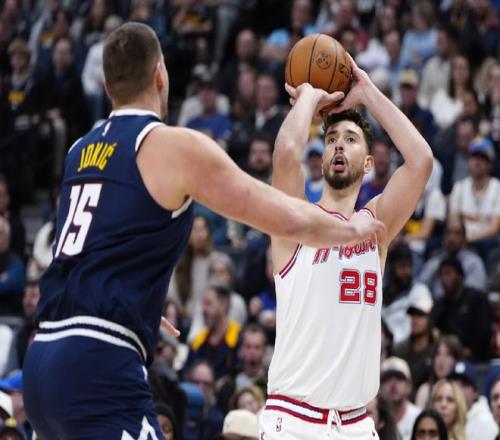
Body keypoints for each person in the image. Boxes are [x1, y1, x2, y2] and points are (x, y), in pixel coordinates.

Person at [22, 23, 384, 440]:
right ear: (160, 75)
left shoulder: (78, 150)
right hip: (97, 361)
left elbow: (80, 250)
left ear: (106, 85)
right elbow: (285, 217)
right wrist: (351, 228)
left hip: (42, 358)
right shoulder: (172, 146)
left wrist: (132, 295)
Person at [260, 53, 433, 440]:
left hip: (355, 423)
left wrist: (368, 92)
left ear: (368, 163)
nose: (339, 145)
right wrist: (308, 97)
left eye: (350, 140)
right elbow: (285, 154)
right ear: (322, 157)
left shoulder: (376, 225)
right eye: (331, 140)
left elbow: (421, 161)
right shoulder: (296, 221)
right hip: (294, 419)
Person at [448, 361, 499, 440]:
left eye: (464, 385)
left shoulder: (485, 421)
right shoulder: (448, 417)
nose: (458, 390)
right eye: (454, 385)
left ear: (476, 392)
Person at [380, 357, 421, 440]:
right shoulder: (375, 418)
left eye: (399, 378)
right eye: (387, 379)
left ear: (409, 386)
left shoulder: (418, 417)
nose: (393, 385)